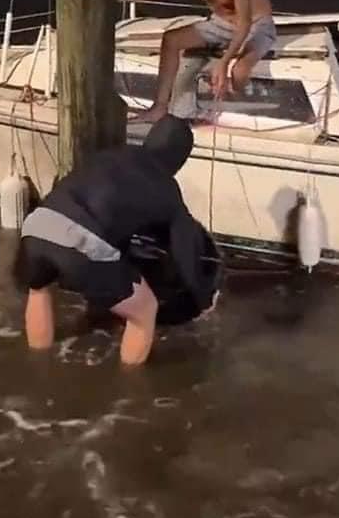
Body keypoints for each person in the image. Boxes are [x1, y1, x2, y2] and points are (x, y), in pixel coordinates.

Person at [12, 115, 220, 367]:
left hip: (36, 225)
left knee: (39, 288)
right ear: (180, 159)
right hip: (79, 238)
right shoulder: (167, 188)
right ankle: (129, 393)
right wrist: (202, 300)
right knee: (145, 311)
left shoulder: (110, 155)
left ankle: (38, 366)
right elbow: (185, 251)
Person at [119, 0, 276, 122]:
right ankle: (159, 108)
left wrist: (224, 61)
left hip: (256, 24)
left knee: (239, 72)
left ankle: (240, 112)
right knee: (171, 39)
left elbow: (244, 22)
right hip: (221, 23)